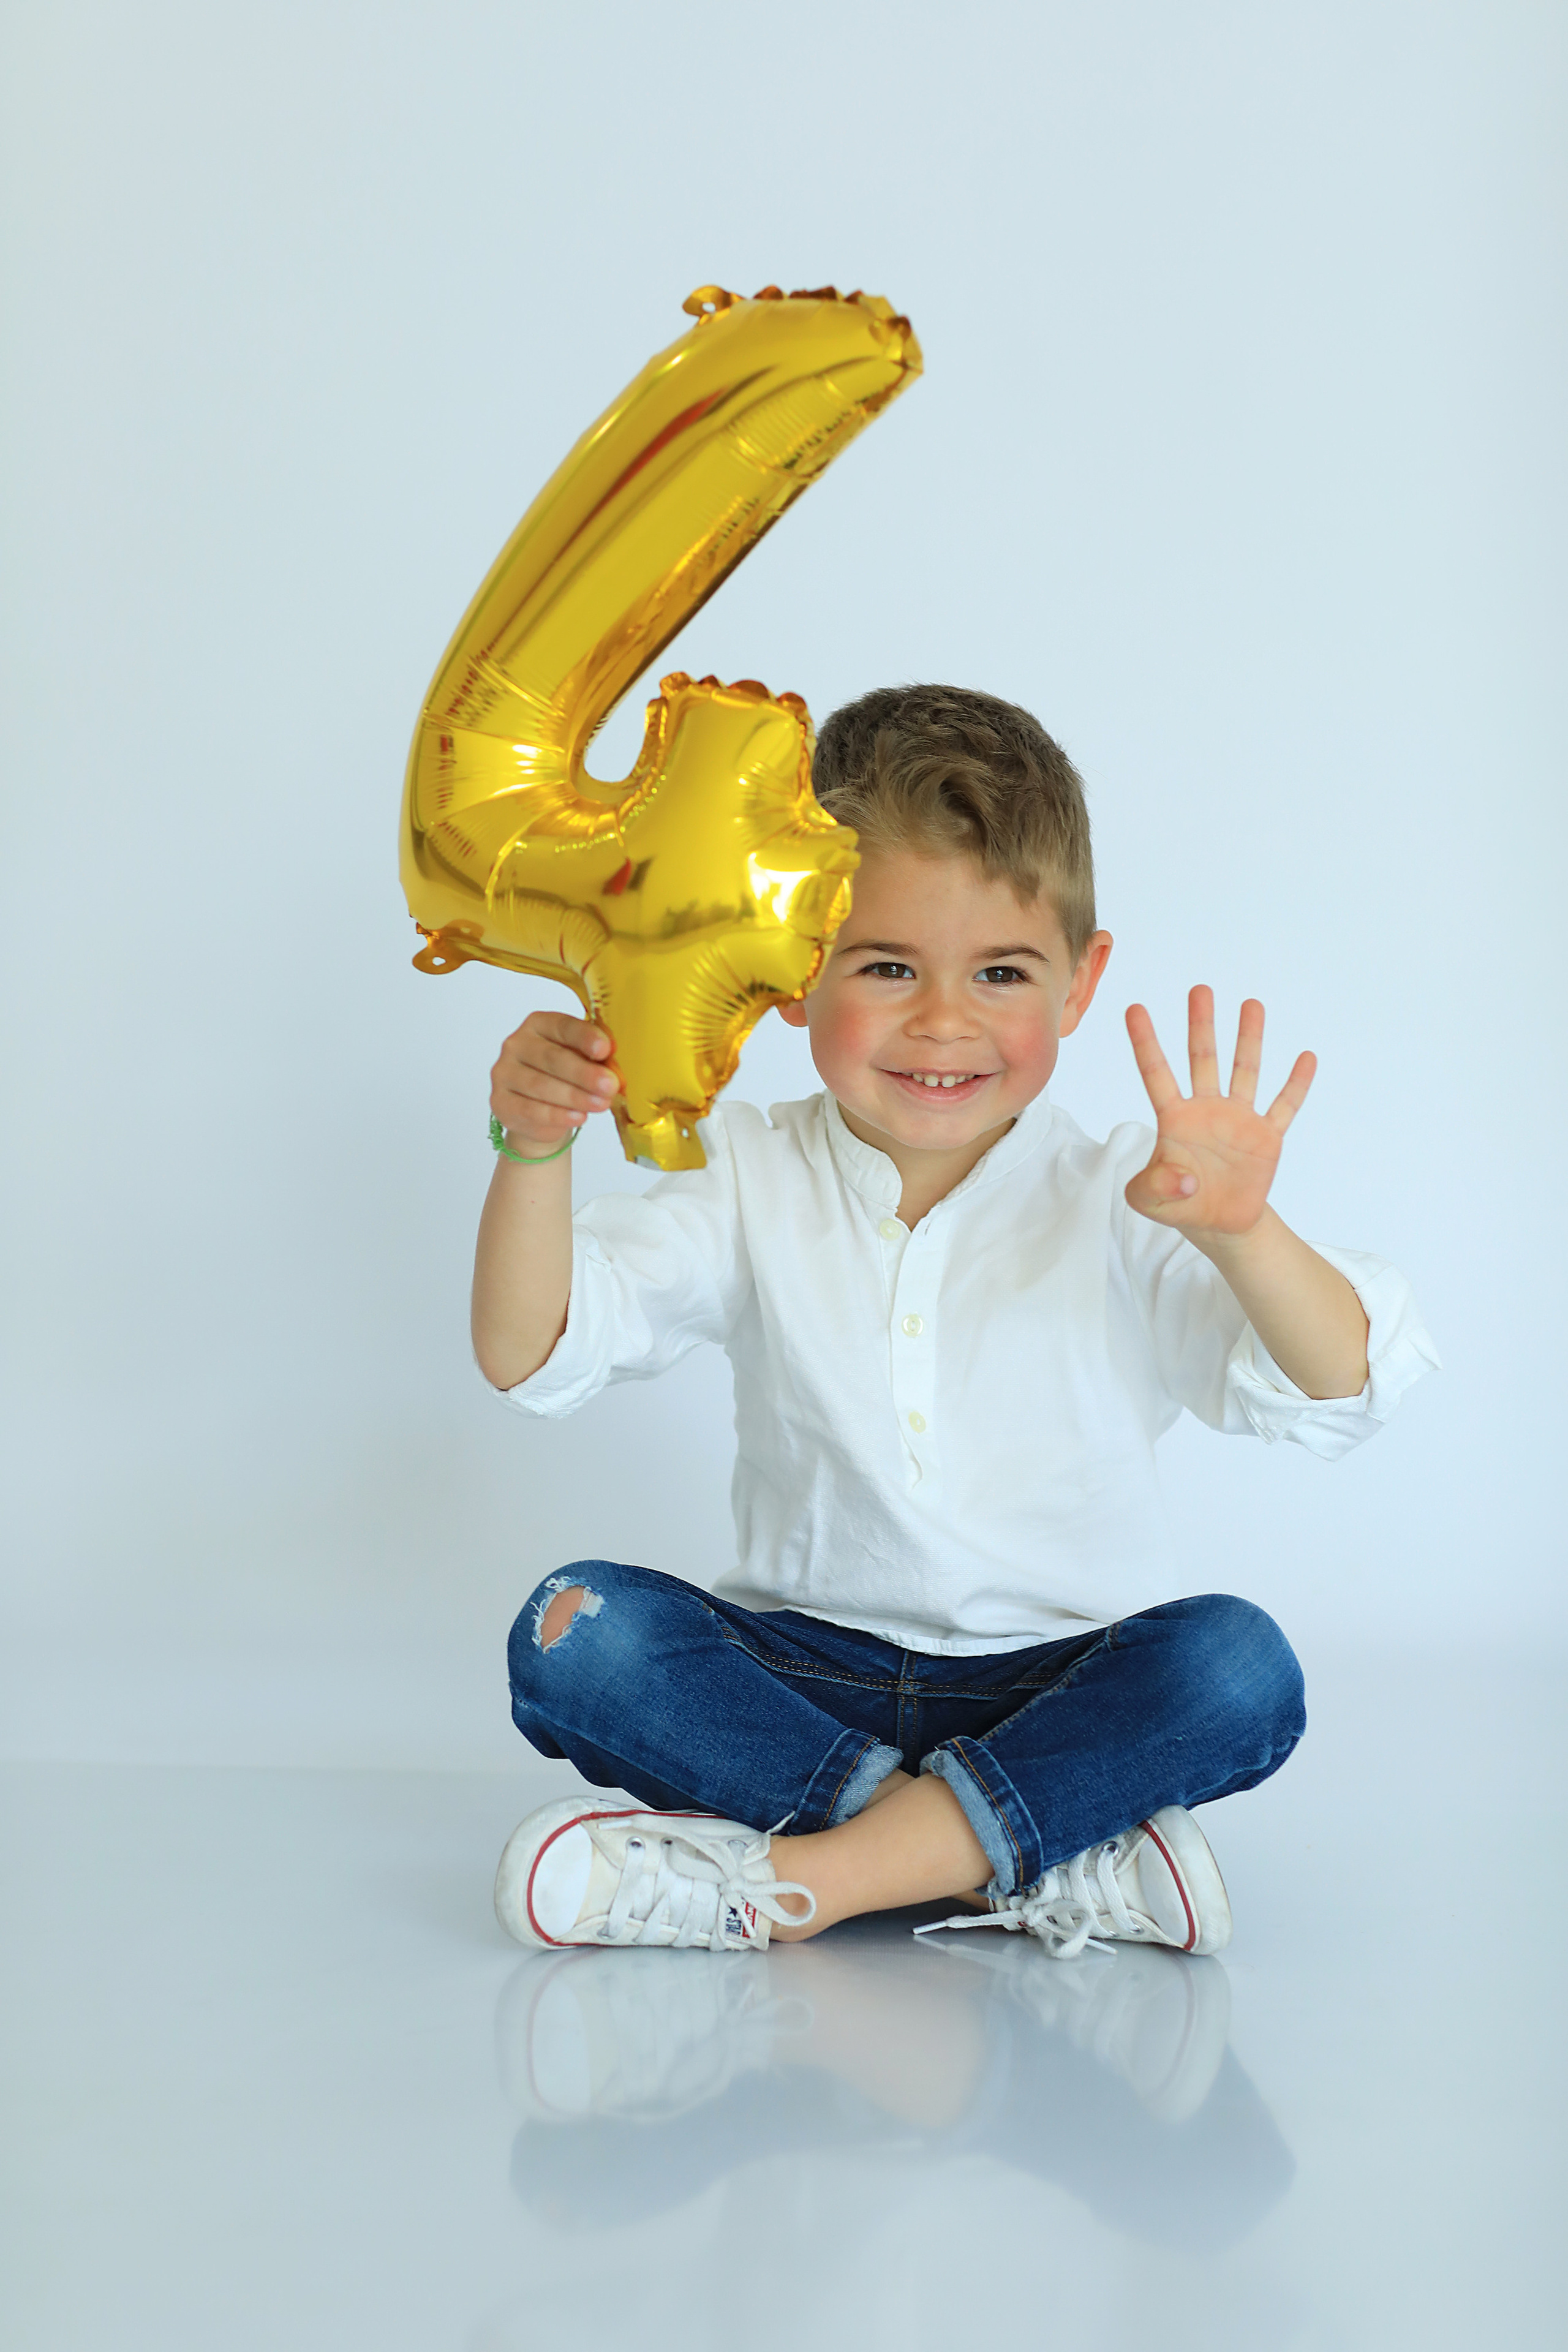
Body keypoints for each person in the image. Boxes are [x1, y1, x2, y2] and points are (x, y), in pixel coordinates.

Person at [472, 685, 1437, 1958]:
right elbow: (528, 1348)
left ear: (1079, 983)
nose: (943, 1021)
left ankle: (796, 1884)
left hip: (1058, 1677)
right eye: (884, 967)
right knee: (574, 1631)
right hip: (802, 1677)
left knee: (1233, 1670)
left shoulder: (1127, 1191)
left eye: (999, 972)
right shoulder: (745, 1175)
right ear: (792, 970)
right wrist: (531, 1147)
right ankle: (1031, 1850)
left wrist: (1241, 1228)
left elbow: (1342, 1382)